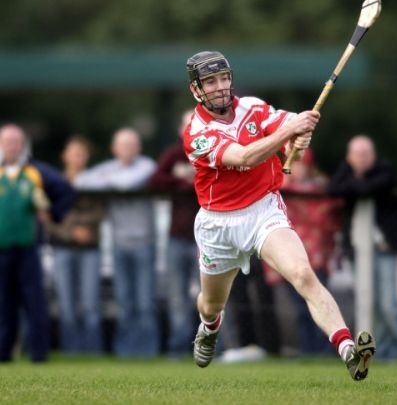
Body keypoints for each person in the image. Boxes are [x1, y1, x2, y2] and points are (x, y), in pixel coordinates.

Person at [182, 51, 375, 380]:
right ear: (196, 90)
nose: (220, 86)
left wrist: (297, 138)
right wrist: (288, 134)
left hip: (263, 211)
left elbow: (288, 134)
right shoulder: (196, 133)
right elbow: (246, 156)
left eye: (224, 78)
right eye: (211, 82)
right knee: (211, 304)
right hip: (218, 224)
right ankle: (209, 327)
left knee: (303, 275)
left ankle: (348, 351)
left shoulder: (253, 108)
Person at [75, 128, 159, 357]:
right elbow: (82, 180)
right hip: (119, 245)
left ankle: (147, 352)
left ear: (138, 148)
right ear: (114, 149)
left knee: (145, 302)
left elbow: (126, 184)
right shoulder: (109, 168)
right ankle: (125, 353)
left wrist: (106, 181)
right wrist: (111, 180)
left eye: (131, 145)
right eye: (123, 145)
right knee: (124, 302)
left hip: (144, 244)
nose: (127, 149)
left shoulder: (147, 166)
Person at [0, 124, 74, 362]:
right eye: (6, 141)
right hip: (2, 249)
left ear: (22, 145)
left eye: (15, 142)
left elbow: (66, 191)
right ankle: (3, 352)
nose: (11, 146)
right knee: (4, 302)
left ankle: (38, 354)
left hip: (29, 247)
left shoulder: (36, 171)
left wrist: (52, 213)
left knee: (34, 301)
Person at [328, 136, 397, 359]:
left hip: (385, 247)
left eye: (366, 154)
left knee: (388, 304)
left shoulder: (385, 170)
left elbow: (370, 188)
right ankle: (379, 353)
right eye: (357, 154)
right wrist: (356, 180)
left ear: (374, 155)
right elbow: (333, 189)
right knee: (367, 302)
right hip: (357, 249)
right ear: (349, 157)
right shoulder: (345, 171)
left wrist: (355, 182)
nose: (362, 158)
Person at [279, 148, 340, 355]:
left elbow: (328, 218)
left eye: (301, 164)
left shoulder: (321, 189)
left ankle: (326, 349)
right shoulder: (283, 187)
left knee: (320, 302)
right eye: (294, 163)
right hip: (290, 257)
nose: (298, 168)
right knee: (300, 308)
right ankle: (308, 350)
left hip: (317, 256)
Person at [47, 136, 105, 353]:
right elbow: (48, 217)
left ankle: (92, 351)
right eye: (73, 153)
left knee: (91, 303)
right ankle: (70, 351)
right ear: (65, 156)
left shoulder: (96, 182)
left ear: (87, 157)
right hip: (62, 248)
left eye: (81, 154)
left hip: (90, 249)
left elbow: (101, 212)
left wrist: (80, 226)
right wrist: (72, 231)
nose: (77, 158)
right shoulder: (54, 183)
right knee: (66, 304)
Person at [150, 110, 200, 357]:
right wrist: (183, 181)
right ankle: (179, 348)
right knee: (177, 297)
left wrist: (189, 181)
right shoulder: (174, 155)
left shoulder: (215, 150)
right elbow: (155, 180)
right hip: (177, 237)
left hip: (208, 239)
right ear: (181, 130)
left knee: (212, 297)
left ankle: (213, 347)